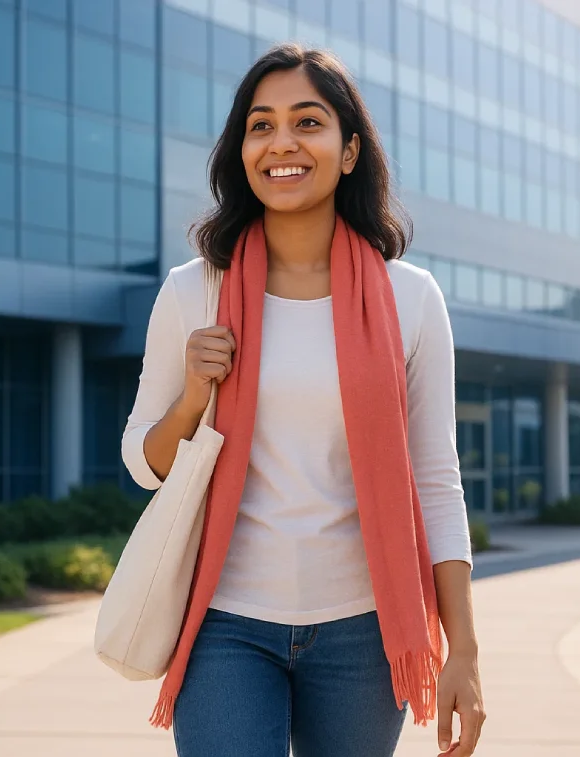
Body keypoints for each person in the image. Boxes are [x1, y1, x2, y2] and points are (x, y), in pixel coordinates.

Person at [120, 43, 485, 757]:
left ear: (349, 150)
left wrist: (464, 651)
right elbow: (143, 461)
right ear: (242, 150)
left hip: (364, 630)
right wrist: (196, 394)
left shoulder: (410, 300)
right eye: (261, 125)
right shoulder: (194, 291)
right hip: (226, 622)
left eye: (306, 122)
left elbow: (436, 480)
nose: (282, 142)